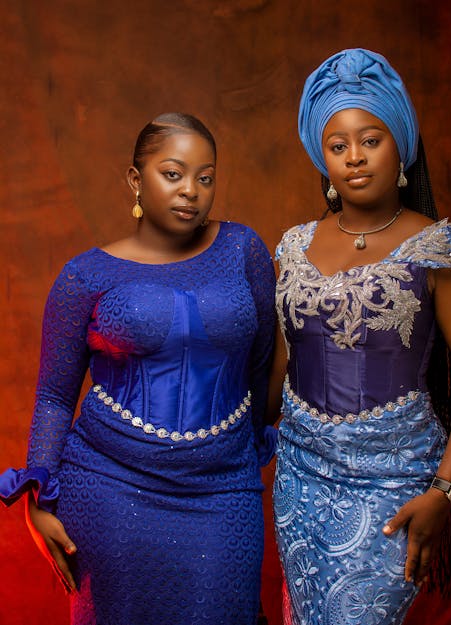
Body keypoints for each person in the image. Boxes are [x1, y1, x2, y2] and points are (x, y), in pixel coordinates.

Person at [0, 112, 277, 625]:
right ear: (135, 180)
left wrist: (240, 442)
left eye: (205, 177)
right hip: (110, 489)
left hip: (223, 488)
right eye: (172, 174)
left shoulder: (244, 250)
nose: (191, 191)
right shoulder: (86, 275)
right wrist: (37, 497)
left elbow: (263, 361)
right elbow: (56, 396)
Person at [271, 49, 451, 625]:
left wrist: (447, 493)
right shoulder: (293, 246)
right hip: (299, 479)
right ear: (322, 158)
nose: (354, 158)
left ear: (400, 146)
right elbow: (280, 364)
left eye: (370, 139)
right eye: (337, 145)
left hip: (393, 485)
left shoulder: (436, 248)